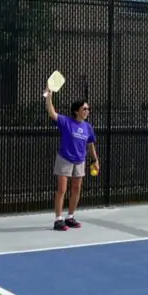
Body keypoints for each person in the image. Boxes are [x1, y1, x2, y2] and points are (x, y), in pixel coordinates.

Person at [44, 89, 99, 231]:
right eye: (84, 109)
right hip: (65, 159)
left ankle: (70, 217)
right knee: (62, 189)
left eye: (88, 109)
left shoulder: (88, 127)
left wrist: (95, 160)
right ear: (76, 111)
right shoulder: (66, 122)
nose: (87, 111)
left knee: (76, 189)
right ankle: (58, 220)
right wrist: (49, 97)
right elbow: (52, 112)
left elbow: (90, 143)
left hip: (80, 161)